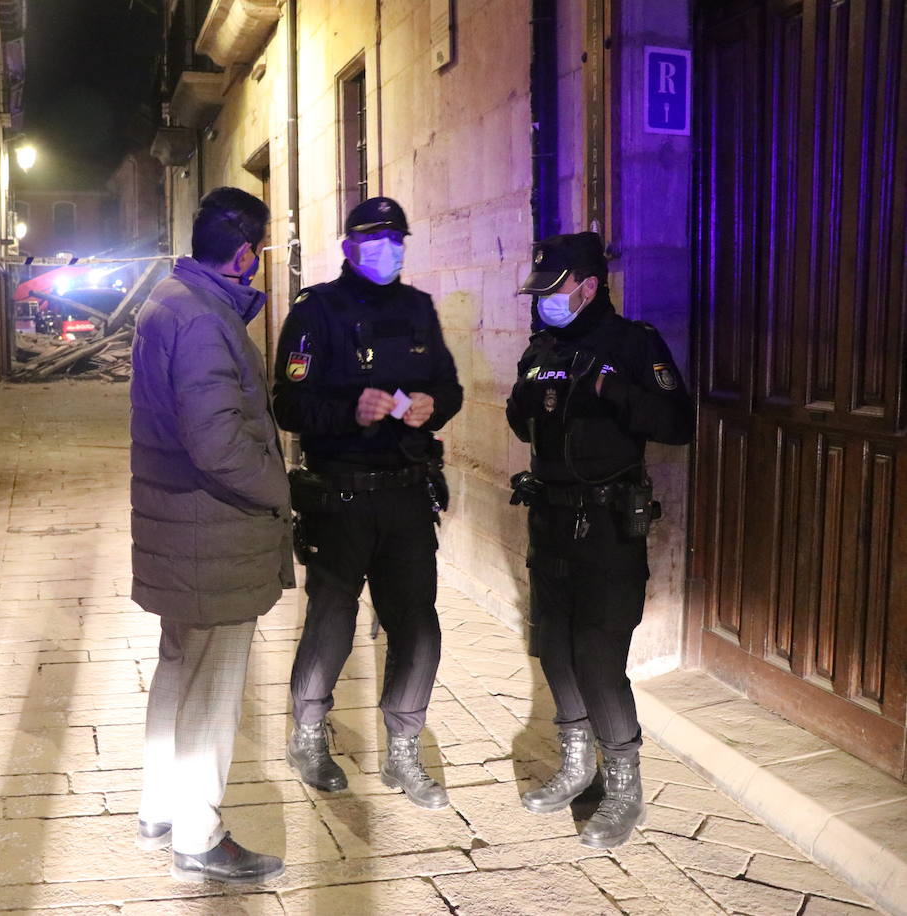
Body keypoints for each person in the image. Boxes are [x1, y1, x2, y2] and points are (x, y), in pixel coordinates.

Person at [505, 231, 694, 848]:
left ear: (588, 284)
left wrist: (611, 388)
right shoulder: (543, 345)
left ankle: (624, 787)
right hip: (549, 521)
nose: (544, 303)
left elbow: (676, 423)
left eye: (554, 290)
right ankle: (578, 763)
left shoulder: (633, 344)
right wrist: (529, 394)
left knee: (597, 657)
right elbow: (517, 418)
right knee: (554, 649)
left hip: (609, 528)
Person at [272, 197, 463, 809]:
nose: (389, 248)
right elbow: (288, 405)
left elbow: (450, 387)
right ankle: (307, 733)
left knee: (417, 625)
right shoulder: (316, 312)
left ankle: (403, 750)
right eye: (375, 239)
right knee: (332, 618)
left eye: (397, 238)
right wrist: (349, 413)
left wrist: (437, 404)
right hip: (340, 493)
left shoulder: (418, 309)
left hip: (407, 494)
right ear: (349, 246)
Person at [130, 186, 294, 884]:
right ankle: (197, 834)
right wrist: (284, 494)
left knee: (179, 666)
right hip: (212, 531)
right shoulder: (202, 320)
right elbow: (219, 444)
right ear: (245, 252)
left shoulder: (168, 300)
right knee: (214, 685)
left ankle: (159, 807)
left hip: (181, 527)